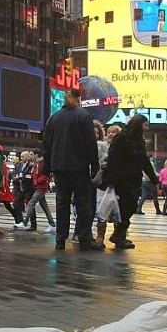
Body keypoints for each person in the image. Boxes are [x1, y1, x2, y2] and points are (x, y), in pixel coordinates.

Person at [43, 88, 104, 250]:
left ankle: (60, 240)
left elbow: (47, 144)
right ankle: (84, 238)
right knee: (83, 203)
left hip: (59, 167)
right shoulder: (83, 116)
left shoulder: (53, 118)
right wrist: (94, 165)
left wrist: (46, 168)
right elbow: (90, 143)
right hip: (79, 167)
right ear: (78, 99)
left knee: (62, 203)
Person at [103, 114, 159, 249]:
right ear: (138, 124)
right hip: (122, 180)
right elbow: (113, 159)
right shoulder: (122, 138)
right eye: (145, 125)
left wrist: (154, 178)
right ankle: (119, 236)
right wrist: (111, 181)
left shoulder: (138, 140)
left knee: (130, 207)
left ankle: (119, 235)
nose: (147, 128)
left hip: (134, 180)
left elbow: (144, 160)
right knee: (124, 207)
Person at [14, 148, 56, 232]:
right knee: (44, 206)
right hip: (38, 186)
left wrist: (37, 181)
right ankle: (52, 224)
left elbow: (47, 174)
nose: (30, 156)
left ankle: (25, 223)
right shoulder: (36, 164)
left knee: (31, 203)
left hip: (41, 187)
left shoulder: (41, 163)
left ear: (36, 155)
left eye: (32, 154)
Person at [93, 124, 121, 244]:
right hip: (103, 183)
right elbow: (99, 163)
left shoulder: (122, 148)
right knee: (102, 208)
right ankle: (100, 236)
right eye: (109, 132)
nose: (110, 134)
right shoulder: (101, 147)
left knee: (117, 208)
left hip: (118, 183)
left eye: (114, 132)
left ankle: (117, 235)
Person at [11, 151, 31, 225]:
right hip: (19, 188)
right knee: (16, 203)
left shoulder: (30, 165)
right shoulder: (19, 165)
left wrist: (19, 177)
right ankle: (20, 221)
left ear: (28, 157)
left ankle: (33, 223)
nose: (21, 158)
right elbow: (16, 174)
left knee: (30, 205)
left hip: (27, 188)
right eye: (21, 156)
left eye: (23, 156)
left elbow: (29, 176)